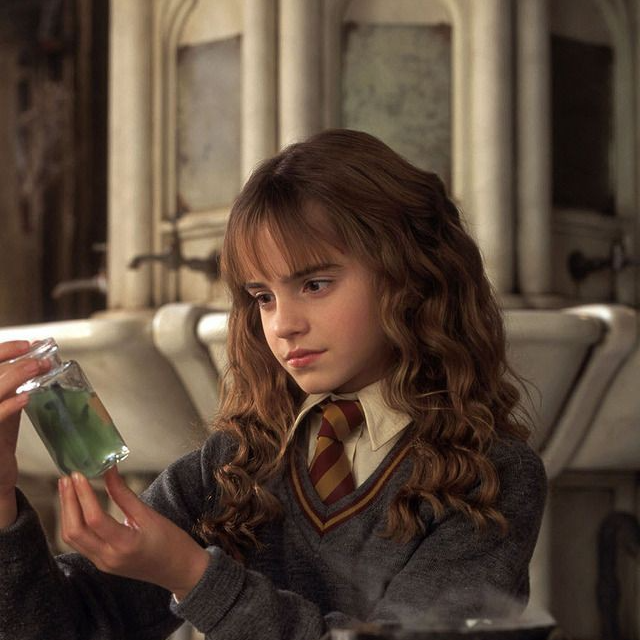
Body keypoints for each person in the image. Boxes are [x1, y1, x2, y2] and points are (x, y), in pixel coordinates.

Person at [0, 129, 546, 640]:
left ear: (412, 276)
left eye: (315, 284)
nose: (283, 325)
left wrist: (194, 576)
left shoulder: (492, 477)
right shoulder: (230, 466)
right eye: (263, 297)